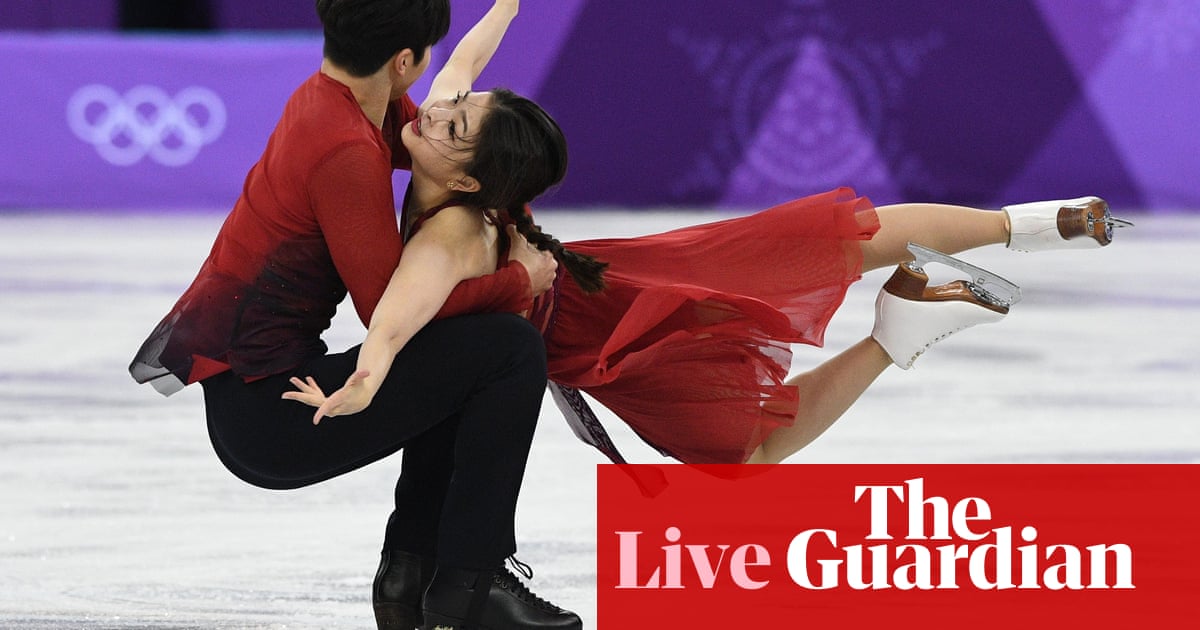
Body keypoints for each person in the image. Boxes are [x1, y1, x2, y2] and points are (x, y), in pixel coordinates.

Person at [288, 74, 1133, 473]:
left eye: (453, 119)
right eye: (446, 109)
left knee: (750, 453)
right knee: (836, 238)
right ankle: (1031, 223)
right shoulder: (474, 171)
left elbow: (396, 315)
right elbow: (463, 65)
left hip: (610, 338)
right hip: (616, 278)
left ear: (475, 176)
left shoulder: (447, 231)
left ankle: (897, 330)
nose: (434, 110)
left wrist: (363, 382)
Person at [129, 1, 582, 629]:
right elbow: (386, 313)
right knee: (506, 350)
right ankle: (470, 583)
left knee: (466, 352)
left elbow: (465, 70)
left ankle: (412, 576)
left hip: (259, 391)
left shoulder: (341, 103)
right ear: (405, 61)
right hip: (276, 414)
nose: (435, 102)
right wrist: (515, 282)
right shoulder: (346, 149)